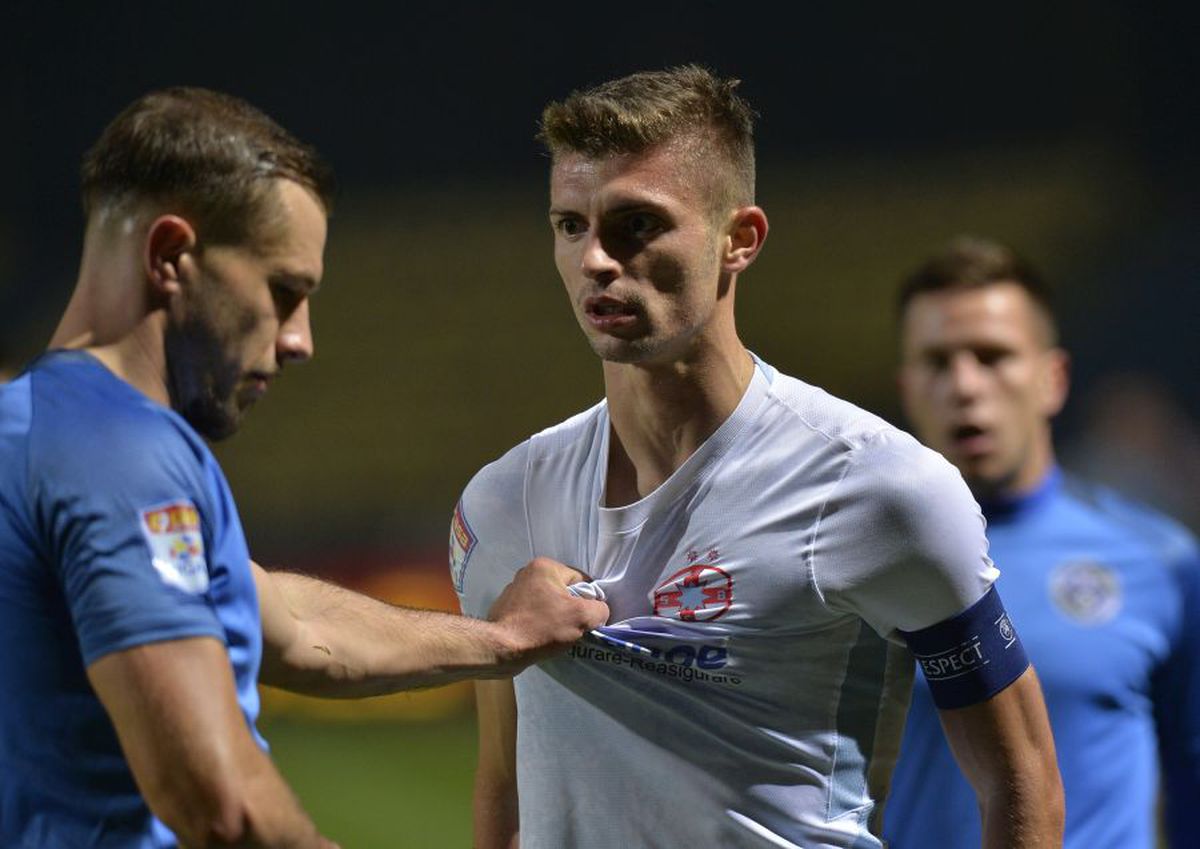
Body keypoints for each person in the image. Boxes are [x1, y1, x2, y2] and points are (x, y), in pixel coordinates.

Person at [452, 66, 1063, 849]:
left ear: (739, 240)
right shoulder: (501, 504)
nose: (596, 260)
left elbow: (1019, 775)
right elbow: (503, 785)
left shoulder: (876, 488)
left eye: (635, 224)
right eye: (570, 225)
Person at [0, 87, 608, 849]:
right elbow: (219, 801)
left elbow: (286, 621)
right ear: (168, 256)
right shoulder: (123, 453)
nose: (299, 340)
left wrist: (503, 639)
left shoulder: (28, 429)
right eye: (283, 292)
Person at [885, 236, 1200, 848]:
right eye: (938, 362)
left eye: (992, 355)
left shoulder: (1163, 563)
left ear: (1052, 380)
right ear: (907, 389)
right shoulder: (855, 568)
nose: (966, 385)